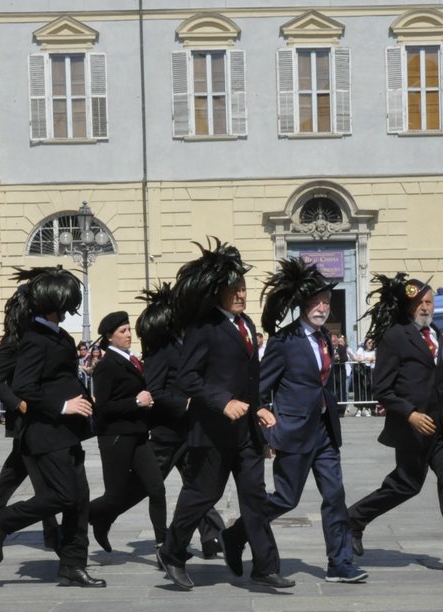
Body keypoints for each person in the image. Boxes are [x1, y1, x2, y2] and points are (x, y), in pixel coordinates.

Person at [156, 240, 290, 591]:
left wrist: (259, 407)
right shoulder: (204, 327)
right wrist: (222, 401)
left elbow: (251, 378)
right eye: (234, 289)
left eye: (244, 287)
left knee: (255, 497)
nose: (241, 294)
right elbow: (187, 378)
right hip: (212, 431)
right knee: (202, 495)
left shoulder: (245, 324)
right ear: (218, 292)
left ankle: (265, 565)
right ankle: (172, 551)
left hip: (246, 433)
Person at [223, 257, 365, 584]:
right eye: (316, 301)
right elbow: (259, 386)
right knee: (286, 498)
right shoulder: (285, 341)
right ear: (303, 304)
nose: (322, 307)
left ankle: (340, 564)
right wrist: (263, 422)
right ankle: (237, 533)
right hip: (293, 432)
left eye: (327, 302)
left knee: (335, 496)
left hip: (325, 432)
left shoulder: (326, 338)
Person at [346, 274, 443, 575]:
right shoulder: (395, 336)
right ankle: (352, 521)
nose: (426, 308)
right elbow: (383, 389)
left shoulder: (435, 333)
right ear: (408, 306)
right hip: (414, 427)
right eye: (420, 303)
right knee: (406, 485)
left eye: (430, 302)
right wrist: (410, 414)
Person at [0, 267, 104, 587]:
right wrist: (64, 406)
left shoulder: (56, 335)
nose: (68, 312)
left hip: (65, 433)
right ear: (54, 305)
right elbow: (24, 386)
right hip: (45, 433)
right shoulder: (36, 339)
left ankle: (73, 565)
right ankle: (0, 520)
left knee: (79, 500)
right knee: (63, 495)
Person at [0, 284, 59, 552]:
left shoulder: (37, 336)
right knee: (44, 484)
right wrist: (18, 403)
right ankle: (52, 535)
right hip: (26, 422)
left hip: (38, 421)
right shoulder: (16, 340)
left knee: (11, 476)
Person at [136, 282, 224, 562]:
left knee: (198, 485)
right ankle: (158, 536)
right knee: (146, 488)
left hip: (190, 431)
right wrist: (184, 403)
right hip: (165, 432)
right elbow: (155, 390)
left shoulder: (187, 343)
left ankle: (210, 537)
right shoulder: (161, 350)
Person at [86, 310, 166, 554]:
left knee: (156, 488)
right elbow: (103, 408)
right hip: (116, 437)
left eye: (129, 329)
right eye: (123, 331)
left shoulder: (132, 360)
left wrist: (147, 404)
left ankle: (164, 545)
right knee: (115, 496)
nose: (129, 334)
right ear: (110, 337)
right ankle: (81, 518)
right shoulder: (107, 365)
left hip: (139, 435)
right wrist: (136, 402)